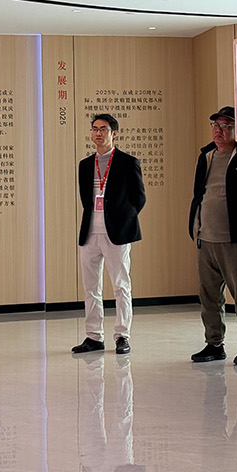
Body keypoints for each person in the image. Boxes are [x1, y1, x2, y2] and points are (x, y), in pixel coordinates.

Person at [188, 106, 237, 366]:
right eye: (216, 125)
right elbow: (200, 195)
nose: (218, 131)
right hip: (206, 239)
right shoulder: (206, 156)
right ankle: (214, 344)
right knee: (209, 297)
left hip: (236, 241)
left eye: (226, 126)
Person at [73, 113, 146, 355]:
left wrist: (122, 220)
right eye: (95, 128)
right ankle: (94, 336)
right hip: (90, 233)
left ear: (114, 133)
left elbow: (139, 199)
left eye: (103, 129)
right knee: (91, 287)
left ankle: (122, 335)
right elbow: (86, 200)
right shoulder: (85, 165)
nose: (98, 133)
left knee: (121, 286)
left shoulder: (128, 162)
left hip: (117, 234)